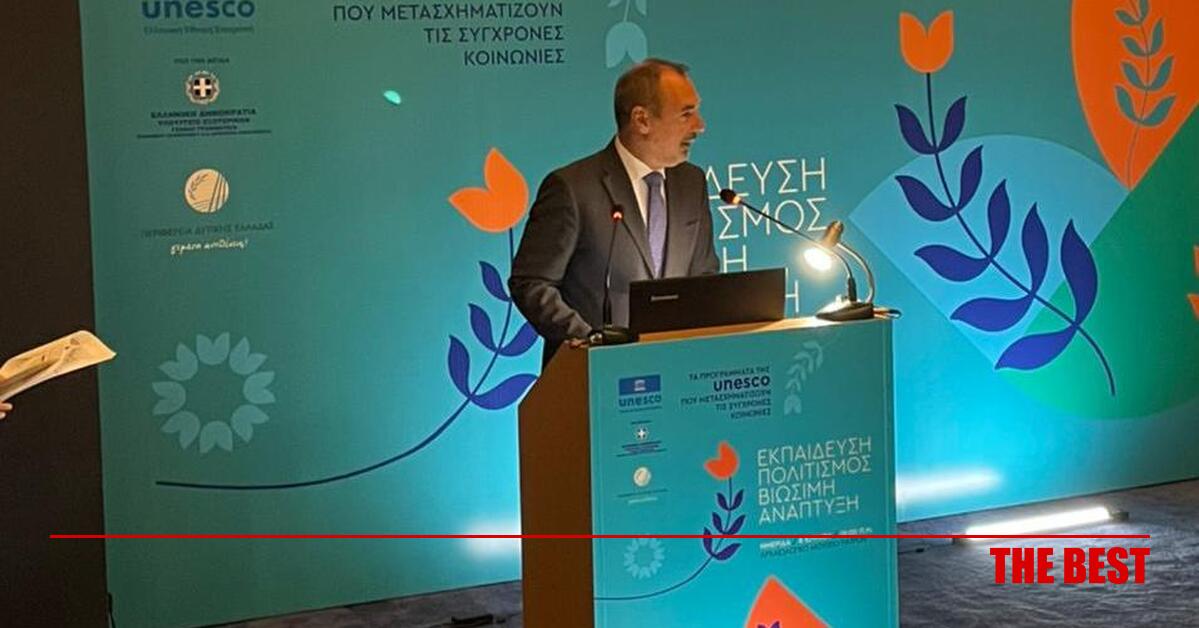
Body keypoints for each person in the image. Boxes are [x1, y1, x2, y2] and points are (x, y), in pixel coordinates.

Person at [509, 58, 720, 364]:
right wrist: (590, 341)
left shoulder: (692, 182)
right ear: (641, 120)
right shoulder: (572, 187)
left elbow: (704, 277)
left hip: (676, 369)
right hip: (592, 374)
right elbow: (531, 283)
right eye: (686, 114)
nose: (699, 125)